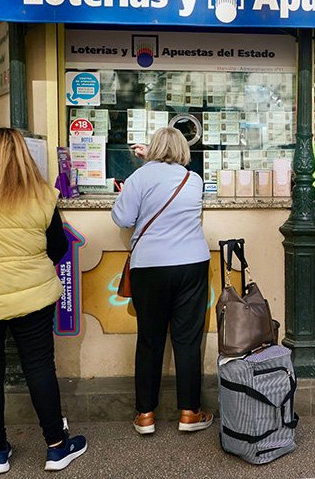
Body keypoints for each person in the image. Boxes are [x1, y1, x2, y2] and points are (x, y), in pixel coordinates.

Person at [0, 128, 87, 475]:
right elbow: (58, 247)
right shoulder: (41, 197)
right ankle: (56, 447)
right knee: (39, 367)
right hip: (31, 294)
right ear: (24, 156)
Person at [112, 127, 213, 435]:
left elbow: (123, 219)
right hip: (191, 264)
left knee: (150, 340)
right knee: (187, 340)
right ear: (184, 149)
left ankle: (145, 414)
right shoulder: (193, 179)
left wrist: (125, 194)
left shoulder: (138, 178)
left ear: (152, 148)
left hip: (150, 267)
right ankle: (189, 413)